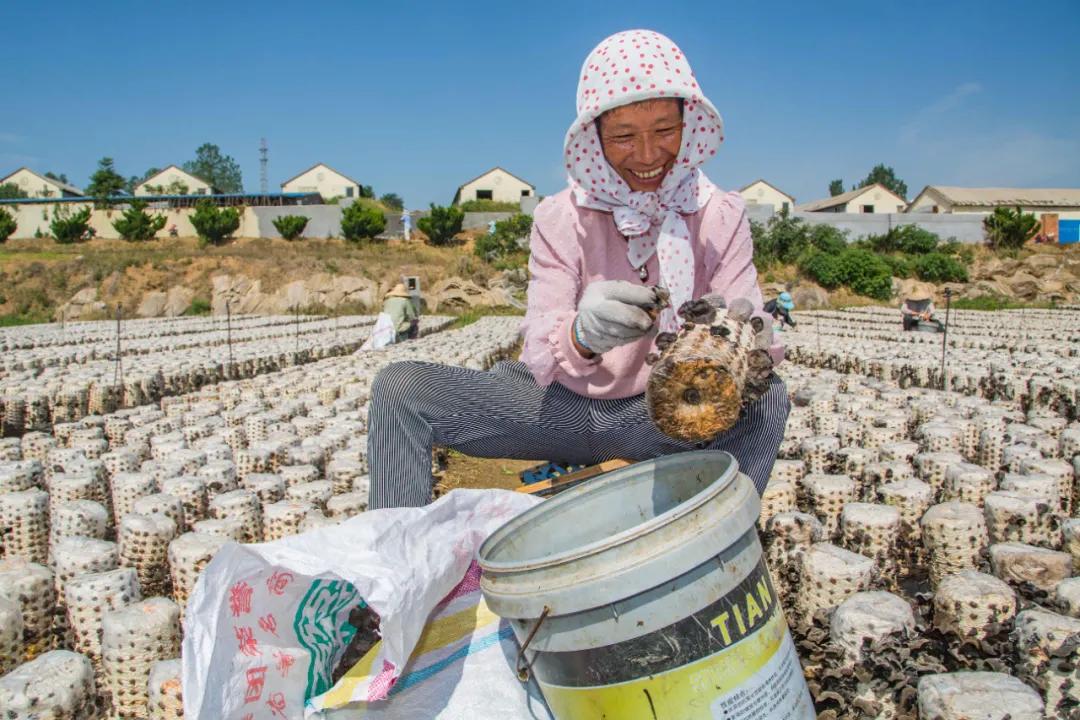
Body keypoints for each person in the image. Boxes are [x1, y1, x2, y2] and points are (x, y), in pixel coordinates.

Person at [367, 29, 790, 509]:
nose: (648, 155)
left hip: (657, 417)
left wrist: (728, 335)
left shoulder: (719, 214)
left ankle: (707, 550)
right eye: (624, 137)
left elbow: (753, 333)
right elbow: (539, 348)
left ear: (688, 124)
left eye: (665, 131)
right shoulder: (561, 216)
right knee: (400, 390)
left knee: (768, 399)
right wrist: (582, 335)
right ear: (596, 139)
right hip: (557, 406)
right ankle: (395, 560)